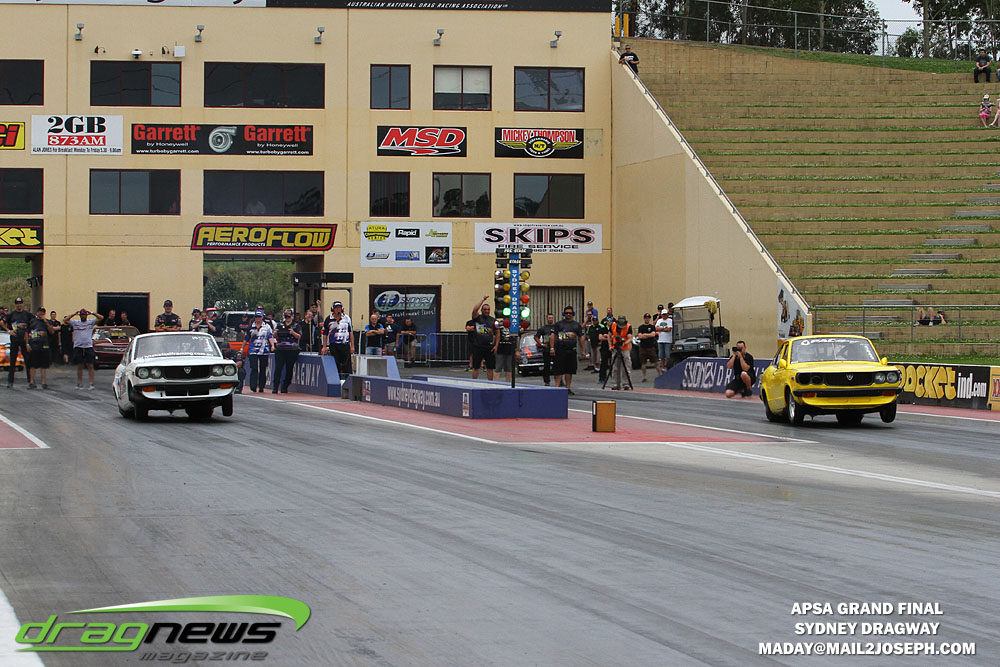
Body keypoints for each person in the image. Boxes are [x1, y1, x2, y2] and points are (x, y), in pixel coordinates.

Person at [63, 308, 104, 390]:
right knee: (79, 366)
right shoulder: (75, 323)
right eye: (82, 315)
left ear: (86, 315)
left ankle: (91, 383)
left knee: (90, 365)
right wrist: (74, 314)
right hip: (78, 346)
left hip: (88, 346)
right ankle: (79, 383)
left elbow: (101, 317)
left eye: (84, 315)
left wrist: (91, 313)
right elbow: (65, 320)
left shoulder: (90, 322)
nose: (83, 316)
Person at [550, 305, 583, 395]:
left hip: (571, 350)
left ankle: (567, 388)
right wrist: (552, 348)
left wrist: (584, 350)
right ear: (563, 314)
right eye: (566, 313)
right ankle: (557, 388)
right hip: (560, 350)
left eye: (570, 313)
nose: (568, 315)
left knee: (569, 370)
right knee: (559, 370)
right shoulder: (558, 324)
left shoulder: (576, 325)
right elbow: (553, 335)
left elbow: (581, 337)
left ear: (573, 314)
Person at [466, 296, 499, 381]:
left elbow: (497, 333)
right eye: (485, 309)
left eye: (488, 309)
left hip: (489, 347)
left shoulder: (493, 320)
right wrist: (482, 300)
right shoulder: (478, 318)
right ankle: (474, 383)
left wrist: (496, 346)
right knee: (476, 367)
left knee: (490, 368)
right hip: (478, 346)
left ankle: (490, 384)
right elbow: (474, 310)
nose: (486, 311)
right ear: (481, 310)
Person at [4, 297, 33, 388]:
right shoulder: (11, 315)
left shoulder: (27, 314)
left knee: (27, 360)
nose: (19, 305)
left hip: (24, 340)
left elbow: (33, 323)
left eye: (20, 303)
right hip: (15, 339)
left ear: (22, 304)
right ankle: (10, 381)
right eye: (17, 303)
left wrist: (29, 333)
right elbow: (2, 322)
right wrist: (8, 330)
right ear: (15, 304)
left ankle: (30, 381)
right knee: (12, 361)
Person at [322, 301, 354, 380]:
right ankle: (336, 379)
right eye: (336, 308)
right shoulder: (328, 319)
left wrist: (352, 346)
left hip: (344, 344)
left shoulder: (346, 318)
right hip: (334, 345)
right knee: (335, 363)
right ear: (333, 309)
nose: (338, 310)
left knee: (346, 364)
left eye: (339, 308)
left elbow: (350, 332)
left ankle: (347, 380)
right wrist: (324, 346)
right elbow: (325, 334)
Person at [272, 309, 301, 394]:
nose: (287, 318)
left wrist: (292, 333)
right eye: (286, 317)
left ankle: (285, 386)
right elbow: (275, 336)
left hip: (292, 349)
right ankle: (275, 387)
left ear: (292, 316)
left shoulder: (296, 325)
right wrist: (275, 333)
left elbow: (299, 336)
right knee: (278, 368)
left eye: (289, 316)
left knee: (289, 368)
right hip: (281, 349)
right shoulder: (280, 325)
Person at [245, 310, 275, 393]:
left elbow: (270, 336)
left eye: (259, 317)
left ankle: (261, 386)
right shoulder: (251, 327)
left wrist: (272, 345)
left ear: (262, 317)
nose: (258, 318)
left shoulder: (267, 326)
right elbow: (246, 338)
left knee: (263, 368)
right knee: (254, 368)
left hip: (264, 350)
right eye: (256, 317)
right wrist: (242, 347)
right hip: (253, 350)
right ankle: (253, 386)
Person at [26, 307, 55, 389]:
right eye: (40, 312)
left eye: (43, 312)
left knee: (44, 365)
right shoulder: (32, 321)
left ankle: (43, 383)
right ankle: (31, 382)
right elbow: (26, 333)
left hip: (44, 345)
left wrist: (46, 322)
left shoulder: (48, 322)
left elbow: (52, 332)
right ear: (37, 312)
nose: (41, 314)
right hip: (34, 345)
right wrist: (27, 344)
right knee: (33, 365)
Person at [605, 314, 633, 390]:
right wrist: (610, 346)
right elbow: (609, 335)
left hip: (625, 348)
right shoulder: (613, 325)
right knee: (615, 367)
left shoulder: (628, 327)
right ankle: (615, 383)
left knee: (626, 366)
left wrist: (624, 343)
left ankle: (626, 383)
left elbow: (630, 338)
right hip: (615, 347)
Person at [535, 313, 556, 386]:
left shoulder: (556, 327)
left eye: (551, 318)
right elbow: (536, 337)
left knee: (557, 365)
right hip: (546, 349)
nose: (550, 319)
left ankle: (559, 380)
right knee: (547, 366)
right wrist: (541, 344)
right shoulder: (543, 328)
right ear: (547, 319)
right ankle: (547, 381)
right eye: (549, 318)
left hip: (555, 349)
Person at [636, 313, 658, 382]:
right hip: (643, 347)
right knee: (643, 363)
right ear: (644, 319)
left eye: (648, 318)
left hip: (651, 347)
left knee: (656, 362)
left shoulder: (652, 327)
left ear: (649, 319)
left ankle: (660, 374)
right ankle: (644, 377)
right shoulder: (641, 327)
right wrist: (648, 335)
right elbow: (640, 336)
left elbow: (653, 334)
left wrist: (645, 334)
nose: (647, 319)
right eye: (646, 318)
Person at [655, 307, 673, 373]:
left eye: (665, 314)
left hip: (668, 340)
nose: (664, 315)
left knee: (668, 355)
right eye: (663, 314)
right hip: (660, 340)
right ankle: (663, 367)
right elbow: (656, 328)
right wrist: (664, 329)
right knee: (661, 355)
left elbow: (669, 329)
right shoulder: (659, 321)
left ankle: (668, 366)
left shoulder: (670, 320)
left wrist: (661, 329)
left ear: (667, 314)